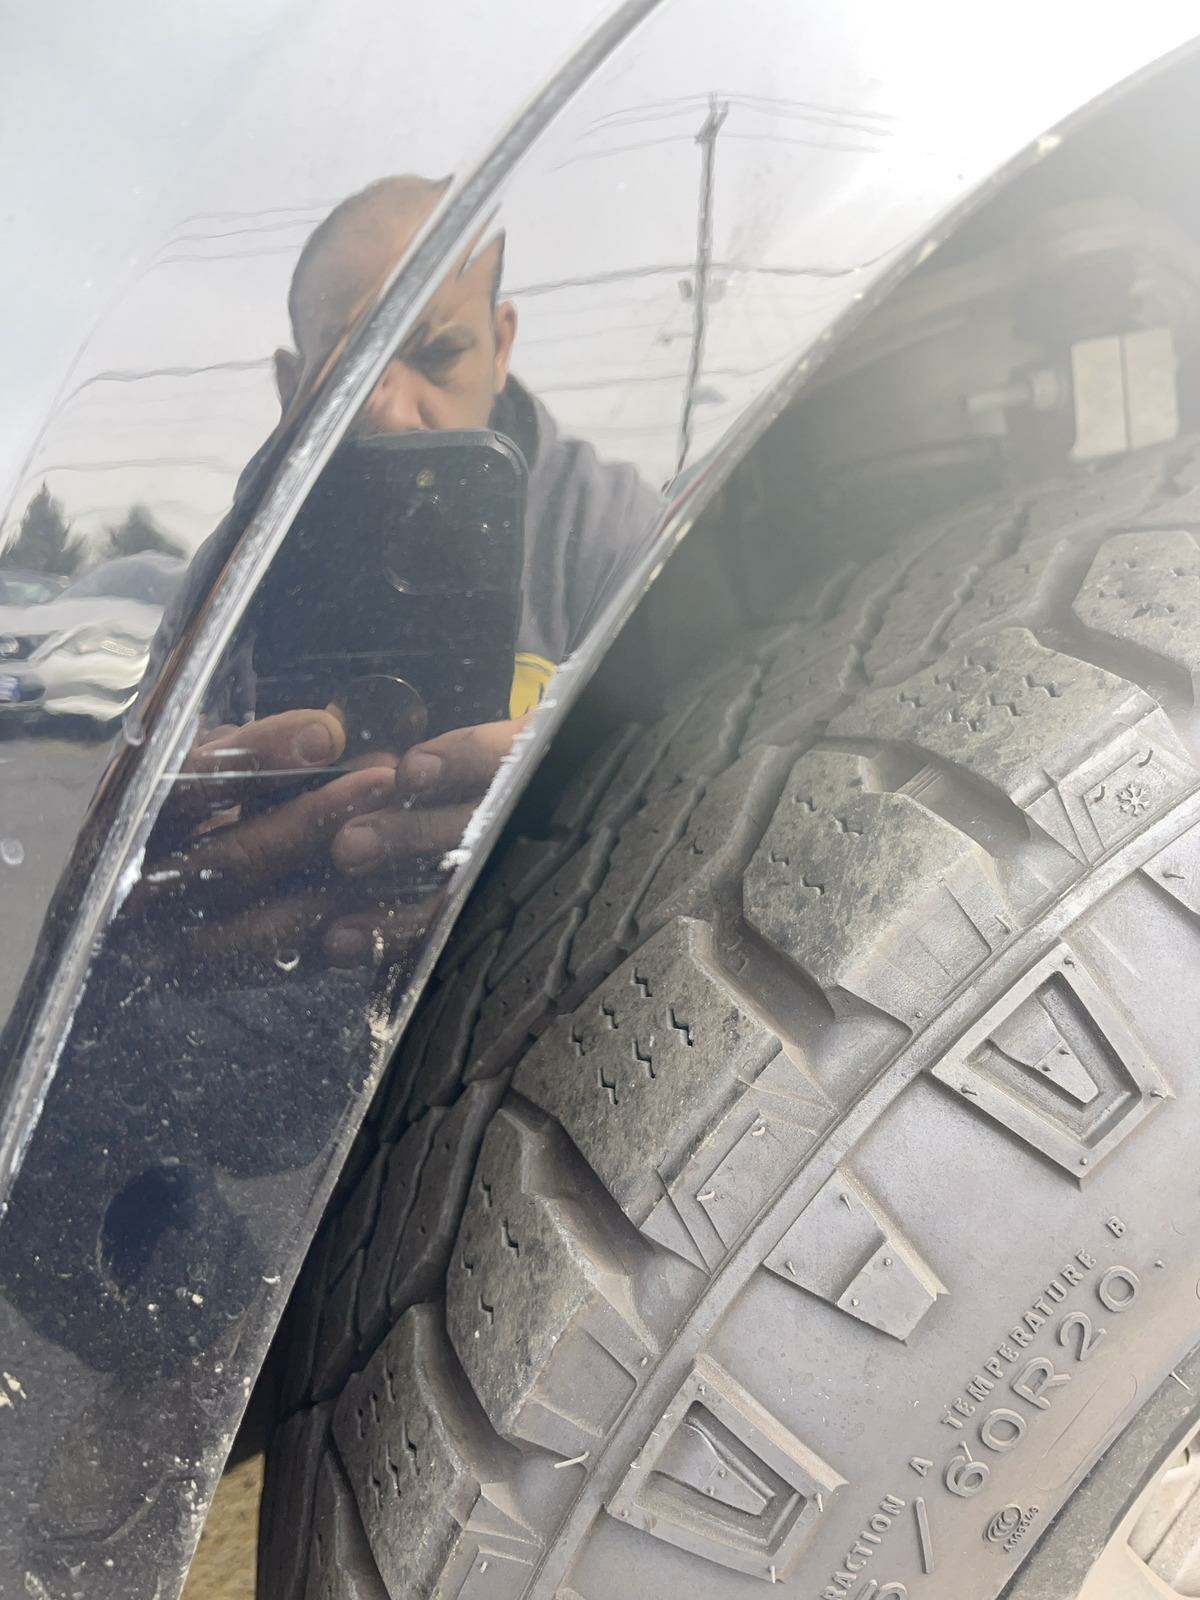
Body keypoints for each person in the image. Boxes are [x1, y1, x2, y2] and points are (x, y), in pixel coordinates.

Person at [143, 175, 661, 967]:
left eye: (438, 351)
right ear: (292, 386)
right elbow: (142, 819)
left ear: (502, 344)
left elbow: (680, 809)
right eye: (346, 370)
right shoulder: (232, 571)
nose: (387, 407)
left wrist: (551, 837)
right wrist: (173, 857)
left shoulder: (616, 537)